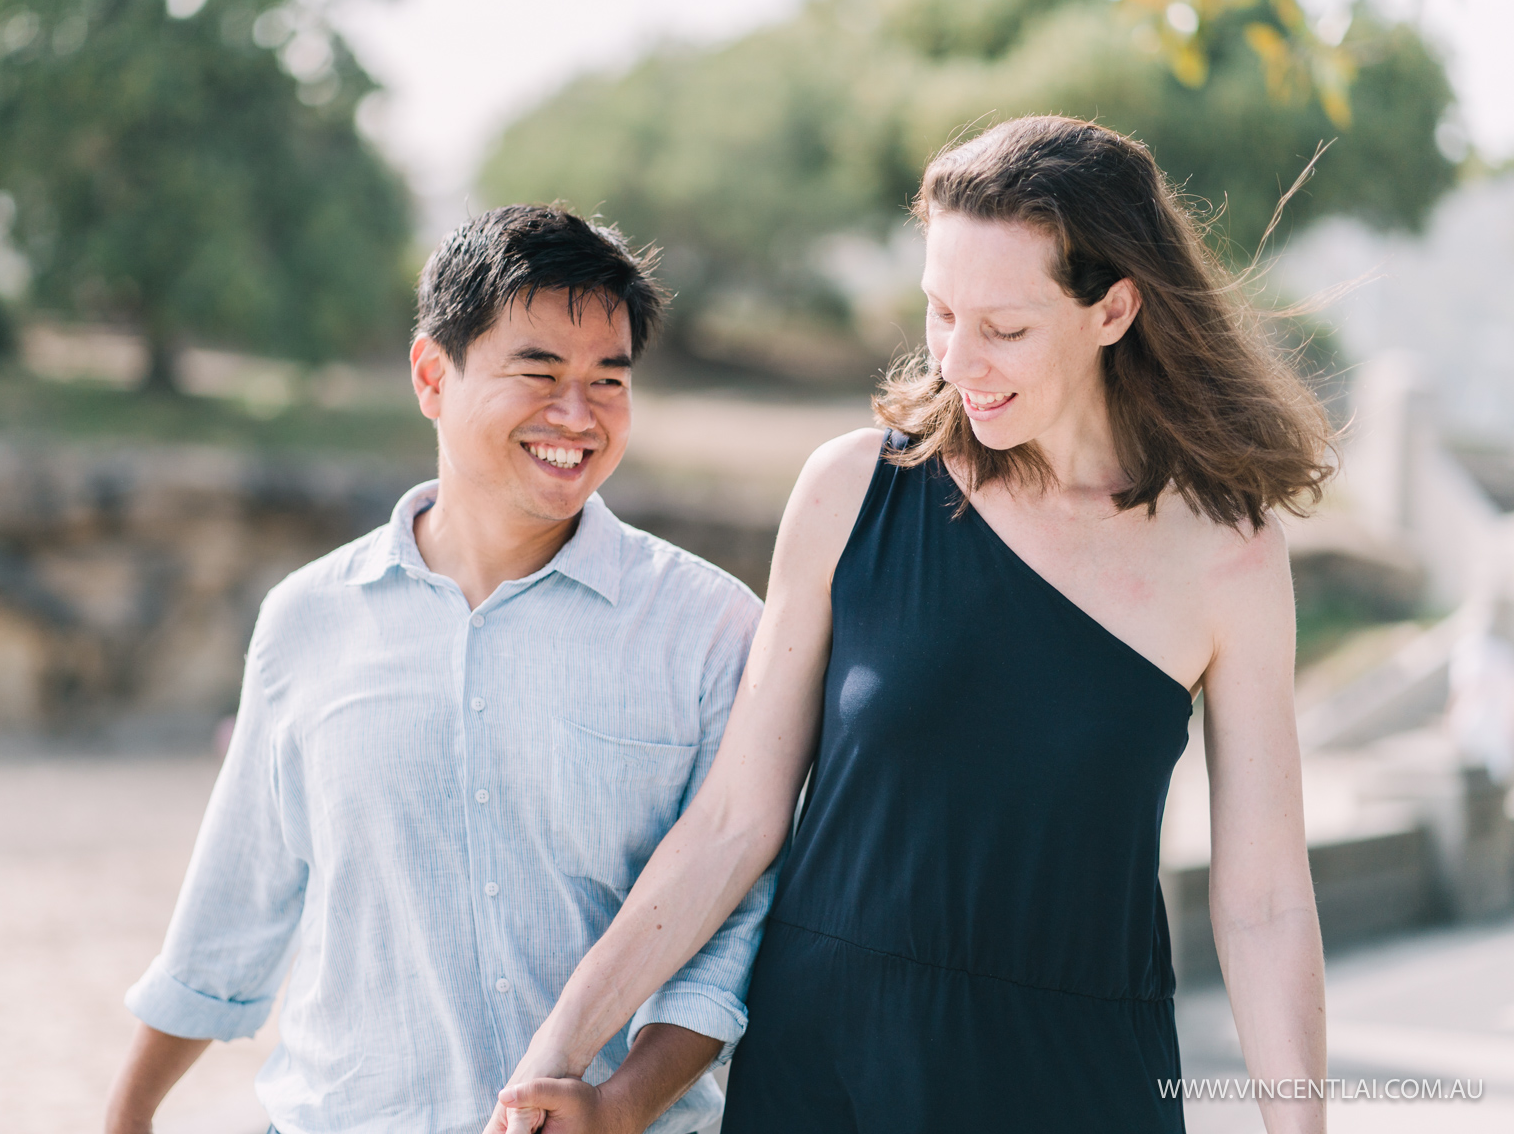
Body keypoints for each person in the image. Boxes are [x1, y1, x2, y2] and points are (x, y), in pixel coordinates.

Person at [490, 117, 1333, 1134]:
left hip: (1076, 1085)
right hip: (826, 1071)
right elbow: (732, 822)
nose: (959, 359)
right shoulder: (853, 491)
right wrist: (558, 1057)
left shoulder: (1230, 558)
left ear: (1113, 310)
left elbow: (1266, 901)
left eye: (1006, 328)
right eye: (940, 311)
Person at [105, 204, 774, 1134]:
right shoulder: (308, 620)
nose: (575, 416)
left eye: (607, 381)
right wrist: (125, 1116)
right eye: (538, 371)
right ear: (432, 374)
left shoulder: (714, 630)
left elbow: (729, 935)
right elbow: (235, 905)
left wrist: (620, 1108)